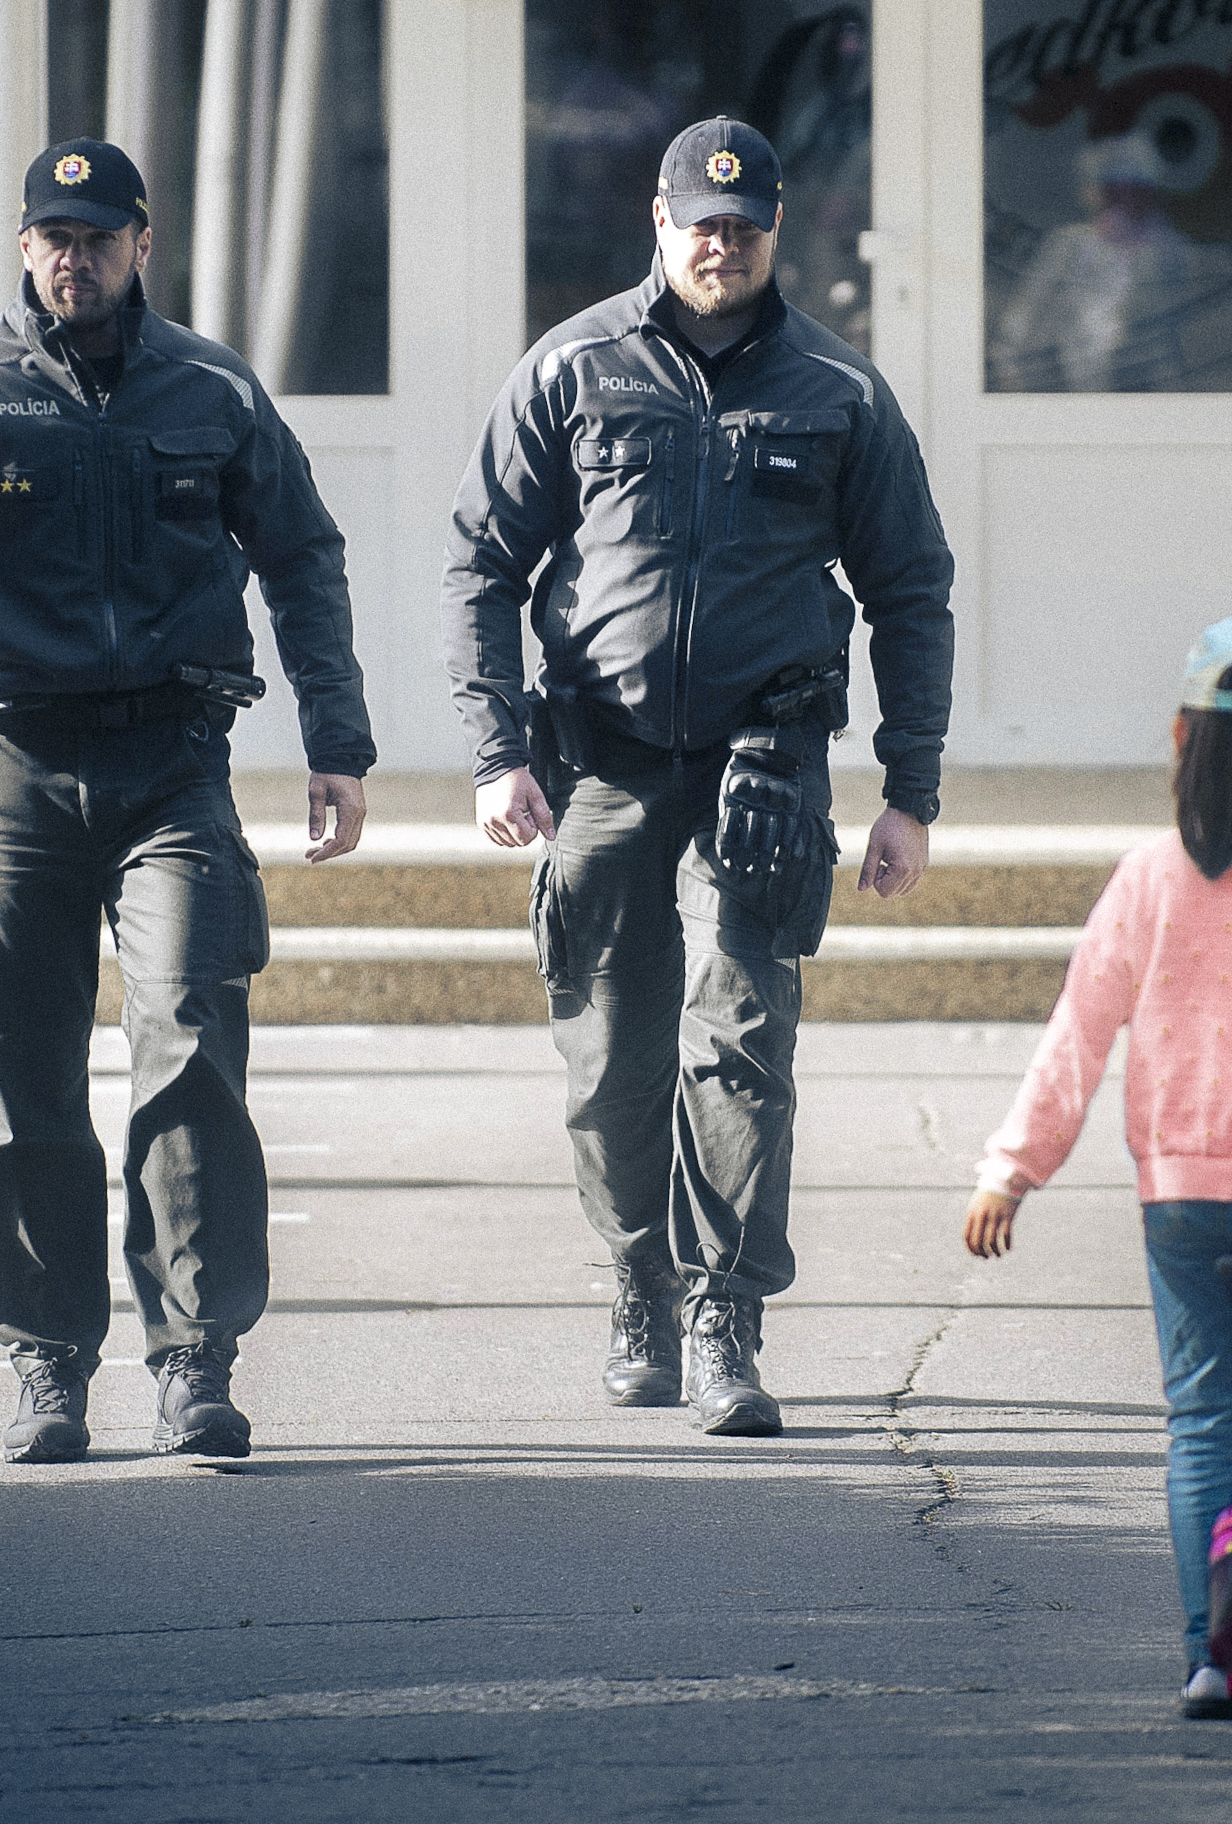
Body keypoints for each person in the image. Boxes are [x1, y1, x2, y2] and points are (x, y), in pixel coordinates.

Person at [0, 138, 375, 1465]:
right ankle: (51, 1365)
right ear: (25, 247)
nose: (74, 259)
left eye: (98, 236)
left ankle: (196, 1359)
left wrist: (338, 741)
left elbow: (304, 559)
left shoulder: (210, 391)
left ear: (144, 242)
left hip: (173, 765)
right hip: (11, 764)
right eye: (52, 237)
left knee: (189, 1042)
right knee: (27, 1080)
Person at [442, 117, 954, 1436]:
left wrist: (911, 789)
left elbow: (912, 592)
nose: (719, 244)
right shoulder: (574, 368)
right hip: (601, 756)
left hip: (765, 759)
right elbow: (482, 563)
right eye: (697, 223)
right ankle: (639, 1287)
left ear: (774, 231)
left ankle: (728, 1314)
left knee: (741, 1045)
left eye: (742, 224)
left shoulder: (839, 393)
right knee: (613, 1051)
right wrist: (498, 751)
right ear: (658, 226)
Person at [961, 616, 1232, 1716]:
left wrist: (1013, 1167)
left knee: (1198, 1419)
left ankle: (1207, 1653)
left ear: (1177, 735)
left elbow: (1078, 1030)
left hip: (1179, 1196)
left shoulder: (1146, 878)